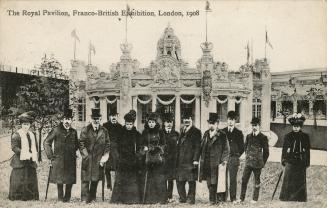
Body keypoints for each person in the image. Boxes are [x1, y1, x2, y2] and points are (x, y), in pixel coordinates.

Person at [44, 108, 79, 202]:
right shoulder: (56, 130)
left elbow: (76, 145)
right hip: (59, 159)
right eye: (65, 119)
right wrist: (51, 156)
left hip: (70, 159)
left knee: (70, 179)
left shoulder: (74, 132)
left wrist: (72, 152)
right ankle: (60, 198)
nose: (67, 121)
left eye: (69, 119)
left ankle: (67, 198)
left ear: (71, 120)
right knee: (59, 179)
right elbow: (46, 143)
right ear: (62, 120)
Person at [111, 110, 143, 204]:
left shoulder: (137, 134)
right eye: (127, 124)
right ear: (125, 123)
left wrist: (138, 156)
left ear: (133, 124)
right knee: (121, 179)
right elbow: (115, 145)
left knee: (132, 180)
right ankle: (120, 199)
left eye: (131, 124)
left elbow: (140, 147)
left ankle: (132, 199)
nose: (129, 126)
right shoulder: (120, 133)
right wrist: (118, 157)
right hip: (122, 160)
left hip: (133, 160)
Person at [79, 108, 110, 203]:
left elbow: (107, 144)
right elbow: (81, 144)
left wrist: (105, 156)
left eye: (98, 118)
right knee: (85, 178)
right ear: (91, 119)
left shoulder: (104, 131)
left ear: (100, 119)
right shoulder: (85, 130)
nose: (96, 120)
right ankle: (84, 198)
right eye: (94, 118)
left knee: (95, 178)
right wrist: (86, 156)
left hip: (98, 158)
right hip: (87, 157)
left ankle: (92, 197)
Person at [199, 113, 229, 205]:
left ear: (217, 124)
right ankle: (212, 200)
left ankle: (218, 200)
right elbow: (201, 146)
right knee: (209, 182)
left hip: (217, 162)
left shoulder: (222, 135)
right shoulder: (206, 134)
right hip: (207, 162)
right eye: (210, 123)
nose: (211, 125)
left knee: (217, 182)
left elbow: (226, 149)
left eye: (213, 123)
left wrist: (224, 160)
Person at [9, 111, 39, 201]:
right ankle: (17, 196)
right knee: (19, 178)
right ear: (21, 125)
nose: (26, 126)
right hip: (20, 160)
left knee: (30, 177)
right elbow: (14, 147)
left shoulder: (32, 135)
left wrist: (32, 154)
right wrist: (23, 152)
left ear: (30, 125)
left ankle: (31, 196)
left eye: (27, 124)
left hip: (30, 160)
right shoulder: (17, 135)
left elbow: (35, 147)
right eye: (24, 124)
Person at [279, 113, 310, 202]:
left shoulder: (305, 137)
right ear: (292, 126)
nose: (296, 128)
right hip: (290, 160)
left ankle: (299, 198)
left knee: (300, 180)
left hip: (301, 161)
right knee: (288, 179)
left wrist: (307, 162)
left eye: (298, 126)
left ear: (300, 127)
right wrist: (283, 160)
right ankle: (286, 197)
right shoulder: (288, 136)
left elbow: (307, 151)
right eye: (294, 126)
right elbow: (284, 150)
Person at [238, 117, 269, 203]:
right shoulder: (248, 136)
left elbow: (266, 152)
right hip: (248, 163)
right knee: (244, 180)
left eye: (256, 125)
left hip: (257, 163)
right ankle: (241, 198)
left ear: (259, 126)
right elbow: (245, 148)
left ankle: (255, 199)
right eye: (253, 125)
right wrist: (248, 157)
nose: (254, 127)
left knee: (256, 181)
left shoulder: (263, 137)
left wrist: (262, 163)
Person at [140, 112, 167, 204]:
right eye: (149, 122)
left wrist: (152, 148)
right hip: (148, 158)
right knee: (149, 178)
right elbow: (142, 144)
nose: (151, 124)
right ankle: (149, 199)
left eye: (153, 122)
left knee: (158, 178)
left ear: (156, 123)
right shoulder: (145, 132)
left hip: (158, 158)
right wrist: (144, 148)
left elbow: (163, 145)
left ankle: (160, 199)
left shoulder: (160, 132)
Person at [175, 111, 201, 204]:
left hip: (191, 160)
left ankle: (191, 198)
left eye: (188, 119)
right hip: (181, 160)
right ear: (183, 120)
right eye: (185, 119)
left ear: (191, 120)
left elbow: (198, 147)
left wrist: (195, 160)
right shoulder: (182, 130)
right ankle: (182, 197)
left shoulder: (196, 131)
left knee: (191, 181)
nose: (186, 121)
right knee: (179, 180)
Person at [222, 111, 244, 202]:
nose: (230, 121)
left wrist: (236, 154)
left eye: (232, 120)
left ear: (235, 121)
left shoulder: (239, 133)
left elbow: (242, 147)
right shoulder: (223, 132)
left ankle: (233, 197)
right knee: (223, 178)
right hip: (224, 159)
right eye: (229, 119)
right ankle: (223, 197)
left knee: (233, 179)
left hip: (234, 158)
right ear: (227, 120)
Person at [103, 109, 123, 190]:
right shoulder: (105, 126)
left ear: (117, 116)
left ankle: (116, 184)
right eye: (112, 116)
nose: (113, 117)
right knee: (107, 168)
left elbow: (122, 140)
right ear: (109, 117)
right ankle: (108, 184)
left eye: (115, 116)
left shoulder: (120, 127)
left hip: (116, 150)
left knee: (117, 167)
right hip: (107, 149)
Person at [162, 112, 179, 202]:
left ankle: (169, 196)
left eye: (171, 122)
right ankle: (163, 196)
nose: (169, 124)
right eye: (167, 122)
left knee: (171, 179)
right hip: (163, 160)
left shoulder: (176, 134)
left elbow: (177, 148)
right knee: (163, 178)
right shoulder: (160, 133)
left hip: (172, 160)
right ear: (164, 123)